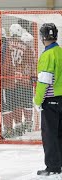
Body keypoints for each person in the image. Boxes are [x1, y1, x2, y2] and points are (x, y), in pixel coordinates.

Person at [34, 23, 62, 176]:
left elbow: (44, 81)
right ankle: (60, 164)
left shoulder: (47, 55)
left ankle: (53, 167)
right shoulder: (60, 52)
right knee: (60, 133)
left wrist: (38, 101)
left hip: (50, 100)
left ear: (43, 37)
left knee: (50, 134)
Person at [1, 24, 35, 138]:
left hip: (7, 79)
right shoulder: (24, 45)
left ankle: (9, 129)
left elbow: (5, 63)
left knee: (7, 106)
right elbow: (27, 63)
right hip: (19, 80)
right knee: (18, 104)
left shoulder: (6, 43)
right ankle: (20, 125)